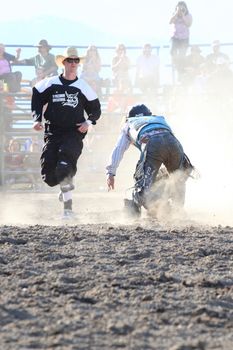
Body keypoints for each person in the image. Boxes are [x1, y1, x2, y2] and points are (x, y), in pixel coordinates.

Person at [31, 46, 101, 218]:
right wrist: (36, 118)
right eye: (70, 60)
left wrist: (88, 122)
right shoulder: (50, 83)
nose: (73, 63)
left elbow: (96, 108)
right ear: (63, 62)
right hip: (53, 132)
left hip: (73, 133)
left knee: (64, 166)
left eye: (76, 60)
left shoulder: (82, 86)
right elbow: (36, 94)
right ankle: (65, 189)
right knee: (49, 177)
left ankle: (68, 210)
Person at [106, 104, 194, 218]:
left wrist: (110, 172)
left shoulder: (128, 124)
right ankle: (178, 210)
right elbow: (168, 140)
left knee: (143, 187)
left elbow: (118, 149)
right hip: (174, 143)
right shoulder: (159, 119)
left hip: (153, 146)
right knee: (178, 177)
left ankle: (136, 208)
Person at [169, 1, 192, 81]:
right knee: (172, 52)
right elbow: (170, 22)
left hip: (184, 38)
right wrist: (176, 13)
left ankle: (180, 74)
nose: (181, 9)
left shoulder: (188, 15)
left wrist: (182, 15)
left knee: (182, 56)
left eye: (183, 8)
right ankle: (179, 70)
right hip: (175, 37)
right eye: (179, 7)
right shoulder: (174, 14)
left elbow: (188, 24)